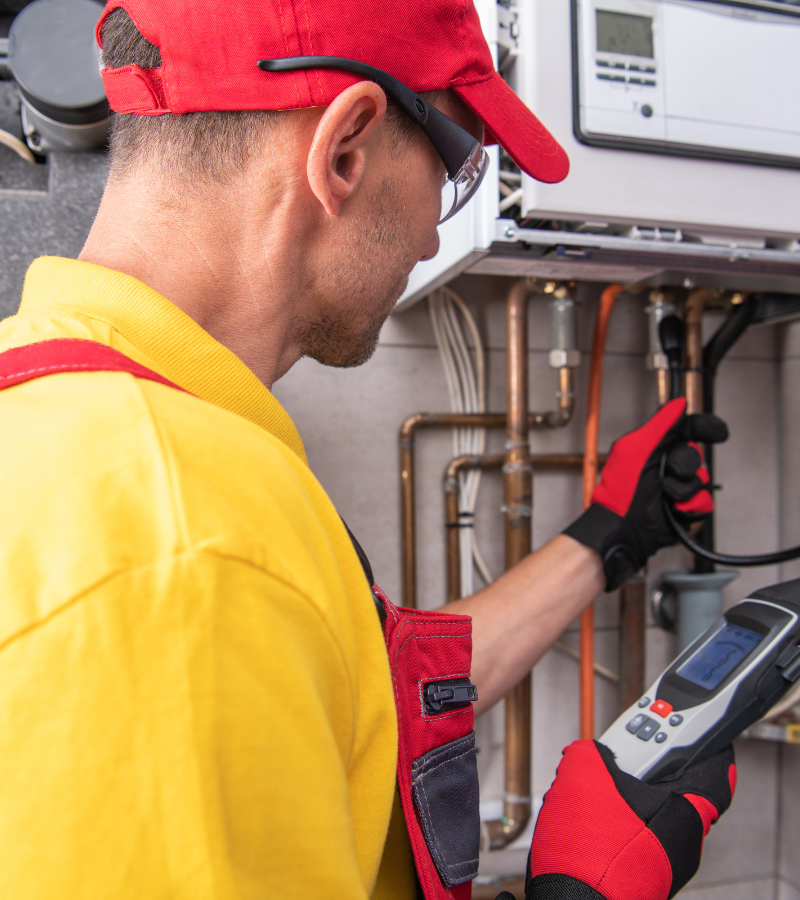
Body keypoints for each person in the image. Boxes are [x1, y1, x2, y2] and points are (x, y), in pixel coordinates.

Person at [0, 0, 735, 896]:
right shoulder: (190, 546)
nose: (432, 232)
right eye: (455, 164)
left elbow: (364, 713)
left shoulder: (81, 415)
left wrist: (605, 536)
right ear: (345, 148)